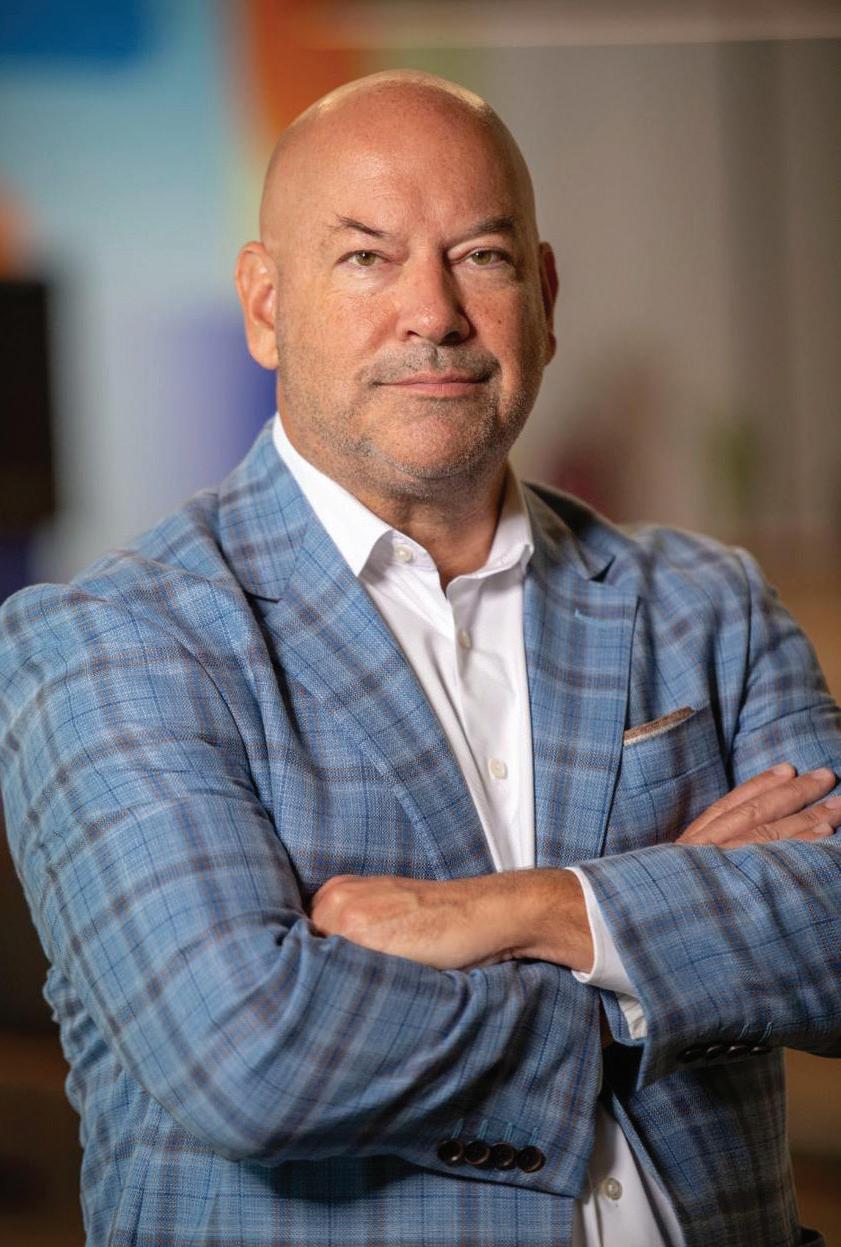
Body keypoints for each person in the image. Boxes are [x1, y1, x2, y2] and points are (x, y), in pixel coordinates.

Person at [1, 70, 840, 1247]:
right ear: (265, 306)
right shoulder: (116, 639)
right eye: (367, 258)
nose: (433, 313)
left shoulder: (709, 603)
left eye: (481, 256)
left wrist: (515, 911)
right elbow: (259, 1057)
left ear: (544, 295)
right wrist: (663, 952)